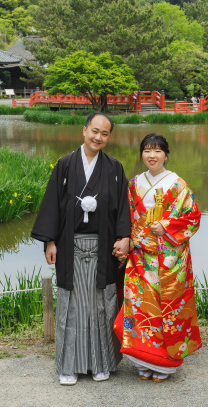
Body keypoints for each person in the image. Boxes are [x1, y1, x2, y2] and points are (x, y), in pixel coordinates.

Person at [31, 112, 131, 386]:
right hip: (69, 246)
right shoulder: (65, 165)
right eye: (94, 131)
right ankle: (69, 366)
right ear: (84, 131)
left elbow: (123, 207)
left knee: (102, 306)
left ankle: (102, 363)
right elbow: (52, 204)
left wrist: (125, 237)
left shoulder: (114, 168)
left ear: (109, 137)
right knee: (71, 307)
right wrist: (49, 242)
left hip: (103, 248)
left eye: (105, 134)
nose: (98, 137)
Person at [113, 133, 202, 382]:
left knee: (166, 311)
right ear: (141, 154)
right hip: (140, 257)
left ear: (166, 154)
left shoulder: (178, 184)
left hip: (169, 258)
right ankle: (142, 360)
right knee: (139, 308)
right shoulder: (133, 184)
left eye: (157, 151)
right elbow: (125, 217)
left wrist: (167, 226)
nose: (152, 156)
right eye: (147, 151)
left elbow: (192, 218)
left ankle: (164, 364)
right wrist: (127, 240)